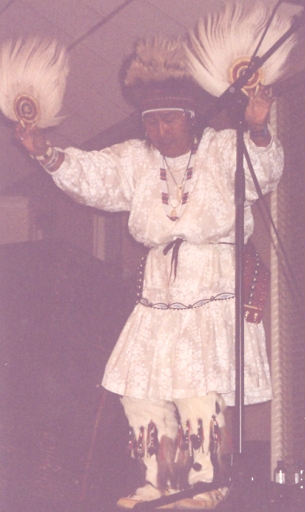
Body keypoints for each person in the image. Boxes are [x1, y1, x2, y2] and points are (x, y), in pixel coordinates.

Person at [15, 35, 283, 509]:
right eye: (152, 121)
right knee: (137, 392)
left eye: (169, 119)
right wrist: (44, 152)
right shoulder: (136, 162)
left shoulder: (222, 149)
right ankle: (162, 481)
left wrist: (259, 129)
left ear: (191, 118)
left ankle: (207, 484)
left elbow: (264, 171)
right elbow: (93, 176)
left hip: (209, 282)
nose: (160, 130)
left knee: (196, 388)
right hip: (159, 292)